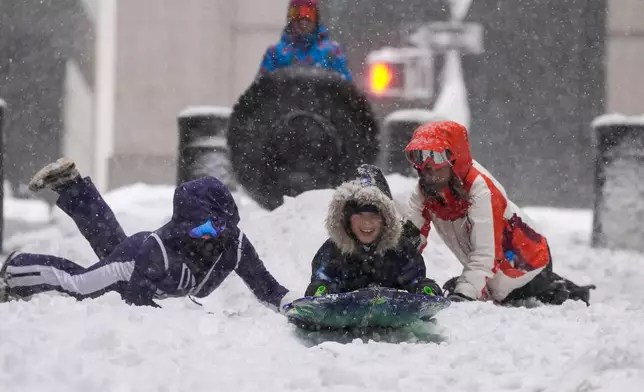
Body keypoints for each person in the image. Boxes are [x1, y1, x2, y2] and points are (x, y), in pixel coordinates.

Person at [0, 158, 298, 311]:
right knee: (79, 285)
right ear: (183, 226)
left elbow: (268, 289)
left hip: (138, 251)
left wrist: (296, 306)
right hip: (131, 264)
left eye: (213, 227)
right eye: (198, 229)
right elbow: (135, 304)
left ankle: (71, 186)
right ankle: (15, 269)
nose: (207, 236)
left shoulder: (235, 246)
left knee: (110, 243)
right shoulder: (160, 250)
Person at [401, 121, 595, 306]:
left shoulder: (482, 190)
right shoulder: (425, 190)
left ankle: (569, 293)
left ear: (455, 157)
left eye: (436, 156)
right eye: (418, 155)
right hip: (493, 265)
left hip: (527, 261)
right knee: (490, 286)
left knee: (511, 291)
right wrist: (394, 273)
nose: (426, 166)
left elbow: (486, 254)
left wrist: (463, 294)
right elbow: (409, 240)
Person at [305, 164, 442, 297]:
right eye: (359, 215)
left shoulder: (401, 249)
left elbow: (414, 279)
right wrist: (320, 289)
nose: (367, 222)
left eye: (374, 215)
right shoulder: (333, 251)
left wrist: (424, 287)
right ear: (346, 218)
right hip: (348, 315)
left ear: (386, 219)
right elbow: (323, 280)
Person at [257, 0, 352, 81]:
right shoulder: (275, 53)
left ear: (316, 18)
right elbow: (259, 93)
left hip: (323, 102)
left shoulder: (332, 52)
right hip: (285, 102)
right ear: (290, 18)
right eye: (296, 13)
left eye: (309, 14)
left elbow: (347, 92)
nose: (303, 22)